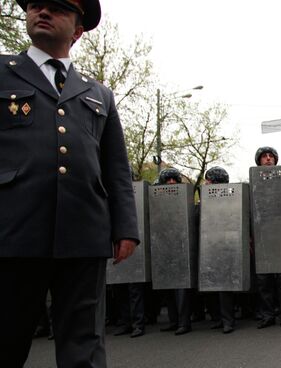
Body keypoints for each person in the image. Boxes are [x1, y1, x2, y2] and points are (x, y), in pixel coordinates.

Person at [0, 1, 139, 366]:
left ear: (78, 30)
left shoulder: (99, 94)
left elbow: (116, 169)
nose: (43, 12)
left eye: (58, 7)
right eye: (36, 5)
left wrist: (125, 227)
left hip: (84, 233)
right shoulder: (2, 71)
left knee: (84, 344)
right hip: (13, 230)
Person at [253, 147, 281, 328]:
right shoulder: (254, 182)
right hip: (262, 239)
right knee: (264, 281)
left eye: (271, 157)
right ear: (259, 161)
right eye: (264, 157)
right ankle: (268, 315)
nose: (268, 159)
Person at [156, 168, 193, 335]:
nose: (171, 183)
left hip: (181, 246)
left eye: (173, 180)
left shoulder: (185, 197)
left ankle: (184, 323)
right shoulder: (156, 199)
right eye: (168, 181)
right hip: (164, 247)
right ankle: (173, 321)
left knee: (181, 289)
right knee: (167, 287)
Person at [202, 166, 237, 334]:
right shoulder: (205, 200)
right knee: (210, 284)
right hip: (209, 246)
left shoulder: (229, 199)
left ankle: (227, 320)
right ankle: (217, 318)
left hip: (224, 246)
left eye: (209, 180)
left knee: (224, 286)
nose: (206, 183)